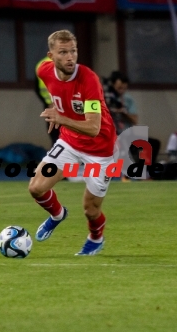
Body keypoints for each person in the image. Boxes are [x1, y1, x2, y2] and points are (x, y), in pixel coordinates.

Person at [30, 30, 117, 256]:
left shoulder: (89, 80)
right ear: (51, 56)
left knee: (90, 209)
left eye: (73, 51)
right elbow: (62, 95)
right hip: (69, 142)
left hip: (100, 149)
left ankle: (95, 238)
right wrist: (60, 111)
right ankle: (58, 214)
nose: (70, 57)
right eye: (63, 52)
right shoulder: (43, 71)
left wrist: (61, 118)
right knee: (36, 188)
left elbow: (93, 128)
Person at [103, 70, 161, 166]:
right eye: (119, 88)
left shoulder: (128, 99)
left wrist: (123, 112)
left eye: (124, 88)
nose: (122, 91)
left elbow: (135, 120)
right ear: (112, 86)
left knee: (153, 143)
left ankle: (146, 171)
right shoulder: (106, 98)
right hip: (112, 134)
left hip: (127, 133)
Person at [34, 56, 59, 147]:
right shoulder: (63, 63)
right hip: (62, 107)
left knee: (54, 135)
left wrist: (47, 102)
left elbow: (37, 88)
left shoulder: (41, 64)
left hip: (49, 105)